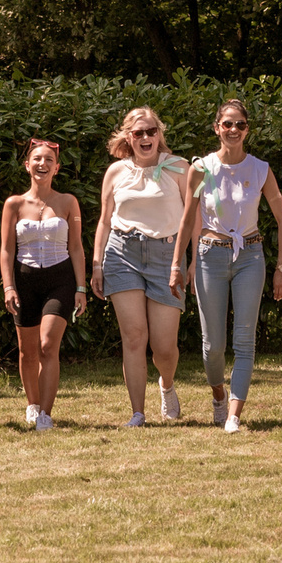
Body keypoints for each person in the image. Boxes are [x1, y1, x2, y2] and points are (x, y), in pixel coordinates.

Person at [174, 98, 282, 432]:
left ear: (247, 129)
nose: (234, 130)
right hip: (210, 255)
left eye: (240, 124)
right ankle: (218, 395)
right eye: (227, 124)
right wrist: (177, 265)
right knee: (212, 346)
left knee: (244, 340)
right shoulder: (201, 169)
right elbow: (186, 222)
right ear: (217, 128)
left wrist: (281, 268)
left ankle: (234, 416)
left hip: (250, 257)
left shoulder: (260, 169)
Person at [95, 107, 192, 427]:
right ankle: (138, 412)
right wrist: (97, 264)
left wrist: (187, 262)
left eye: (151, 131)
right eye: (138, 133)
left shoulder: (179, 167)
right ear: (128, 137)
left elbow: (194, 218)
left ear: (160, 134)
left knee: (164, 347)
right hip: (122, 253)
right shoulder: (116, 172)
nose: (146, 137)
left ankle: (166, 383)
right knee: (134, 336)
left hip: (167, 257)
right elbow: (105, 220)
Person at [0, 138, 85, 432]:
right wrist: (9, 287)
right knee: (28, 352)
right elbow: (7, 250)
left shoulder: (68, 201)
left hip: (59, 280)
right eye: (37, 159)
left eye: (49, 160)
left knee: (48, 347)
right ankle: (33, 404)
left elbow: (76, 247)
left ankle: (46, 414)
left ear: (57, 168)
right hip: (25, 281)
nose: (42, 165)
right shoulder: (14, 204)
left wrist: (81, 288)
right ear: (27, 165)